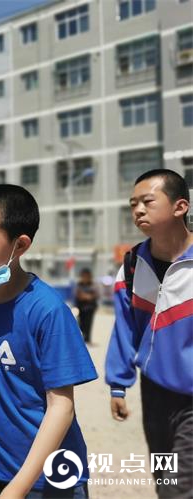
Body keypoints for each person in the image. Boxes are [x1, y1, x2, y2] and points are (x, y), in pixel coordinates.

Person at [0, 184, 97, 498]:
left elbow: (62, 407)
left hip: (45, 478)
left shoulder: (48, 312)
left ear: (20, 245)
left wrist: (18, 487)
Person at [105, 169, 192, 499]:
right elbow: (125, 329)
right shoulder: (131, 266)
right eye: (132, 204)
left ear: (179, 206)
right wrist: (117, 384)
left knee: (181, 487)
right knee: (166, 478)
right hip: (154, 392)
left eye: (147, 201)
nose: (137, 209)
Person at [74, 268, 98, 344]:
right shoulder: (79, 285)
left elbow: (95, 295)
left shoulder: (93, 285)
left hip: (90, 308)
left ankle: (87, 338)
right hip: (80, 307)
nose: (85, 278)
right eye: (84, 276)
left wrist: (86, 296)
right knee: (80, 323)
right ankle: (81, 338)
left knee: (89, 323)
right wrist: (87, 296)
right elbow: (78, 295)